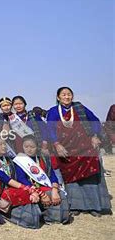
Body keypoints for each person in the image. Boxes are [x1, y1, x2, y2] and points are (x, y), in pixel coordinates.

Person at [46, 87, 111, 217]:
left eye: (69, 94)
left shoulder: (79, 108)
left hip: (84, 148)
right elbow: (50, 129)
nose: (66, 97)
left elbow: (95, 120)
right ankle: (76, 206)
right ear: (58, 97)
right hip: (66, 150)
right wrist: (57, 144)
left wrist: (94, 135)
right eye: (63, 95)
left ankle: (94, 206)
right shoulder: (53, 111)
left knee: (90, 177)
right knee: (71, 179)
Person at [0, 138, 43, 229]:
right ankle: (29, 219)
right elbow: (5, 178)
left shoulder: (7, 159)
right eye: (0, 144)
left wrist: (30, 189)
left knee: (27, 193)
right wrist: (28, 189)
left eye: (5, 144)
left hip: (9, 187)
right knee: (25, 193)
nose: (4, 146)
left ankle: (34, 217)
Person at [13, 135, 70, 224]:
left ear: (37, 147)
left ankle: (63, 218)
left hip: (46, 185)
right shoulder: (20, 160)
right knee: (49, 193)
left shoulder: (43, 158)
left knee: (60, 194)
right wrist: (41, 194)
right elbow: (21, 179)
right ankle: (51, 218)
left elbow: (52, 174)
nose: (29, 149)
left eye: (32, 147)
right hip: (31, 188)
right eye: (26, 147)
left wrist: (55, 189)